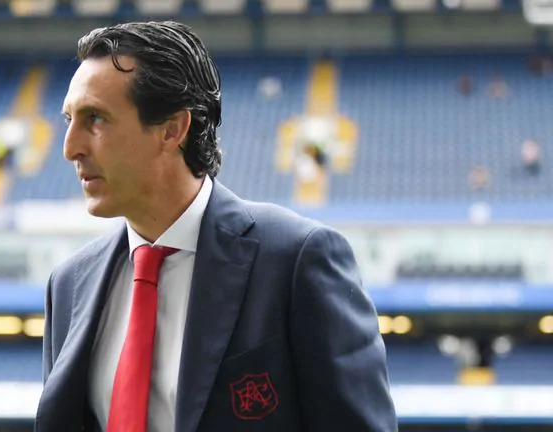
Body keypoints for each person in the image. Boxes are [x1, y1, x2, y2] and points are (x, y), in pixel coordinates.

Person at [35, 21, 397, 432]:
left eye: (96, 119)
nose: (70, 148)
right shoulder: (68, 284)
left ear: (172, 129)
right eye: (68, 120)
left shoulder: (296, 260)